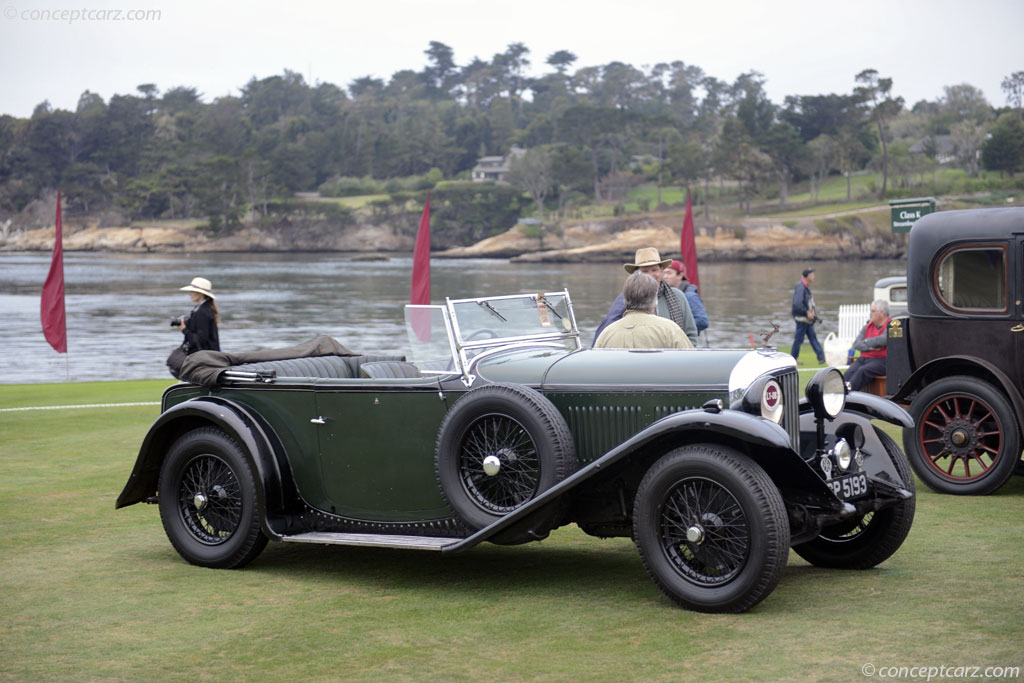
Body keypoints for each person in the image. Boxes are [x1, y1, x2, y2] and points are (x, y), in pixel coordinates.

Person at [593, 247, 698, 346]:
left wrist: (682, 358)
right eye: (645, 271)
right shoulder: (626, 298)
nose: (650, 275)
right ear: (636, 274)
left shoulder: (678, 296)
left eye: (654, 270)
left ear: (662, 271)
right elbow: (607, 330)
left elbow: (691, 334)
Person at [594, 272, 693, 349]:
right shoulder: (670, 330)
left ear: (624, 300)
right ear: (654, 302)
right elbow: (690, 363)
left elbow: (596, 367)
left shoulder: (606, 333)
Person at [845, 300, 890, 391]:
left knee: (862, 371)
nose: (870, 313)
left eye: (873, 311)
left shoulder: (891, 325)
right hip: (864, 359)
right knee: (849, 372)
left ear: (882, 313)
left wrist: (865, 341)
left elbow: (883, 340)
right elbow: (856, 344)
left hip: (882, 361)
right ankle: (838, 392)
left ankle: (847, 395)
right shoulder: (867, 326)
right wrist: (870, 347)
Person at [663, 259, 709, 334]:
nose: (665, 276)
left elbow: (703, 321)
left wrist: (675, 326)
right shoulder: (668, 294)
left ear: (680, 275)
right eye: (664, 273)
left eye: (669, 273)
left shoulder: (690, 296)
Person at [790, 267, 825, 364]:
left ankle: (821, 357)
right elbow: (797, 304)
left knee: (812, 337)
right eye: (812, 274)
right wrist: (807, 312)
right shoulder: (801, 286)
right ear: (808, 276)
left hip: (806, 319)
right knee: (798, 340)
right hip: (802, 318)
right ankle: (793, 359)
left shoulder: (804, 286)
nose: (814, 276)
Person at [178, 276, 220, 353]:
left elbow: (200, 340)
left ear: (200, 293)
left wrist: (184, 329)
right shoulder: (204, 308)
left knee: (174, 360)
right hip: (210, 353)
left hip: (205, 355)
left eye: (192, 291)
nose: (189, 294)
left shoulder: (202, 311)